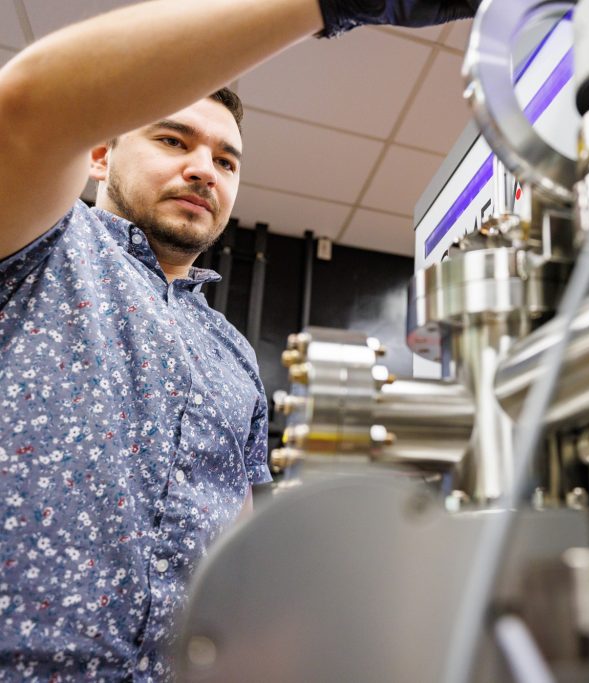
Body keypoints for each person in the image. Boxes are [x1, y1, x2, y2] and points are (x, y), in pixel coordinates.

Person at [0, 0, 476, 678]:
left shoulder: (232, 355)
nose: (205, 169)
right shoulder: (38, 248)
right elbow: (27, 107)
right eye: (173, 140)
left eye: (227, 160)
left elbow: (242, 540)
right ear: (100, 154)